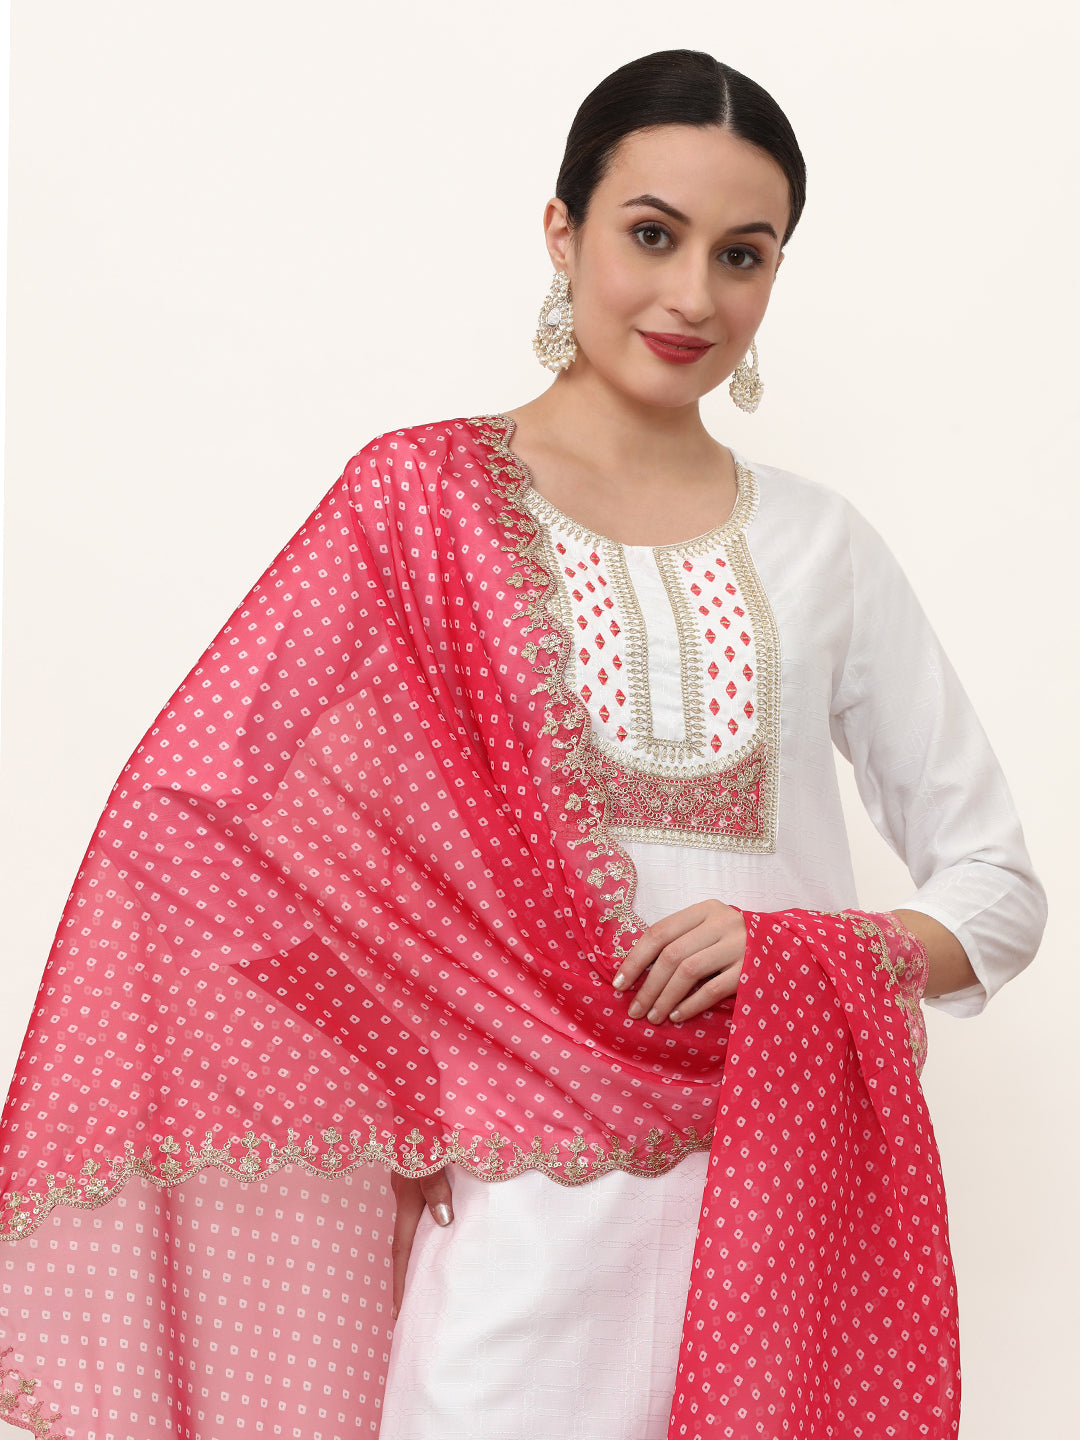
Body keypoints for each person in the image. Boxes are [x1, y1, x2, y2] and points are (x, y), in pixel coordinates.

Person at [0, 48, 1045, 1440]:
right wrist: (409, 1067)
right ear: (564, 231)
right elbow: (204, 833)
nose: (694, 296)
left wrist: (802, 951)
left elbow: (999, 893)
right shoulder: (418, 502)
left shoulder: (823, 548)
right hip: (520, 1225)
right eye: (653, 235)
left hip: (779, 1203)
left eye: (742, 255)